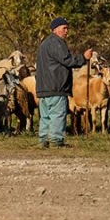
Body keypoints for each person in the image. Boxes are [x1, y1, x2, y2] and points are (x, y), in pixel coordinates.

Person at [35, 17, 92, 148]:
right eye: (64, 28)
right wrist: (83, 58)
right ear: (55, 29)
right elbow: (67, 60)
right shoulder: (57, 43)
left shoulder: (44, 44)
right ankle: (56, 141)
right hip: (56, 86)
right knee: (57, 114)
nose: (67, 31)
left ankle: (43, 141)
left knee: (45, 116)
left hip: (43, 88)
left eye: (67, 28)